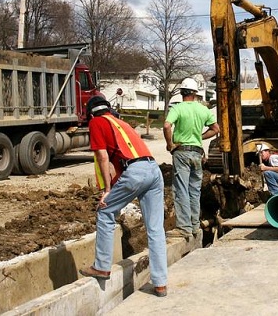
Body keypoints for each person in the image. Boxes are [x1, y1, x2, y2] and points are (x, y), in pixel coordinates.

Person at [79, 96, 168, 297]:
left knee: (105, 211)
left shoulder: (96, 122)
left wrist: (107, 190)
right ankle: (160, 283)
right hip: (153, 170)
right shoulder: (120, 123)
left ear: (91, 113)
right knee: (155, 229)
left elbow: (102, 157)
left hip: (136, 172)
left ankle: (101, 266)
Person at [163, 77, 220, 238]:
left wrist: (169, 144)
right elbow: (216, 129)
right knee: (194, 191)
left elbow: (167, 125)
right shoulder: (203, 110)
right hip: (197, 153)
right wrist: (199, 138)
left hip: (181, 152)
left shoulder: (178, 108)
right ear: (195, 93)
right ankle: (195, 226)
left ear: (181, 92)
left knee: (181, 190)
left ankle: (184, 227)